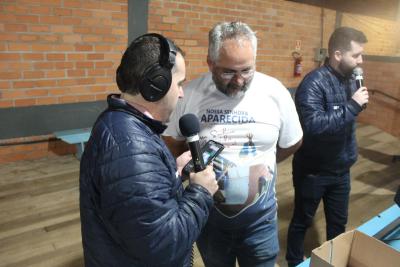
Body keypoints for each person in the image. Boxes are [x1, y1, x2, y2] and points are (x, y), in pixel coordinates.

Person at [163, 21, 303, 267]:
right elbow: (173, 142)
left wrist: (262, 163)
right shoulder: (191, 94)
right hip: (209, 221)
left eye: (247, 70)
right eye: (228, 72)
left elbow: (293, 142)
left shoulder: (275, 92)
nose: (239, 81)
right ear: (210, 63)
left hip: (261, 221)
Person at [79, 33, 219, 267]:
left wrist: (174, 173)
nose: (182, 93)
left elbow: (140, 203)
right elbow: (164, 245)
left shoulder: (122, 124)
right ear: (157, 84)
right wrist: (201, 193)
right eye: (179, 83)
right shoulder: (130, 147)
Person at [285, 27, 369, 267]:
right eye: (356, 55)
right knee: (302, 220)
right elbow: (313, 126)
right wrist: (352, 107)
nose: (360, 61)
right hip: (313, 171)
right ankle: (293, 260)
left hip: (341, 170)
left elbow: (345, 120)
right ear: (338, 54)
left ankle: (335, 259)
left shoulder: (352, 80)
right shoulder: (313, 84)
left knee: (338, 223)